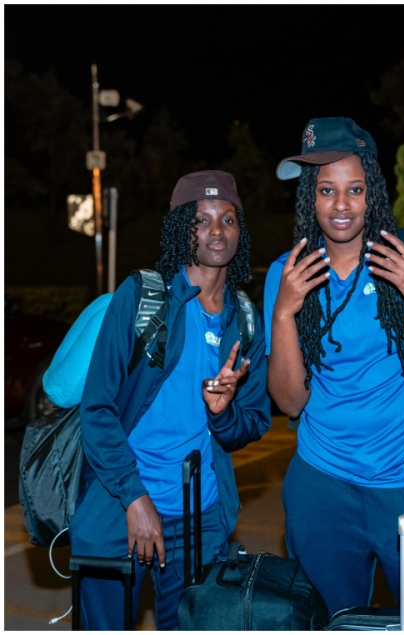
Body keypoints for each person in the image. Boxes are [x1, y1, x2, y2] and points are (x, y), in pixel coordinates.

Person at [265, 117, 404, 615]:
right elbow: (290, 400)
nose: (341, 205)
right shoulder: (287, 272)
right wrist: (283, 312)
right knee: (331, 622)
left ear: (374, 192)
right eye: (326, 191)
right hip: (325, 483)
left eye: (355, 189)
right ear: (309, 197)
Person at [71, 171, 271, 630]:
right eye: (201, 220)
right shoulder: (144, 297)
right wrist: (134, 497)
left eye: (228, 219)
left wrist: (222, 415)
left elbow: (254, 422)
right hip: (121, 510)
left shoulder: (245, 320)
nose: (216, 231)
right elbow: (97, 408)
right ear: (183, 230)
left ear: (240, 229)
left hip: (199, 522)